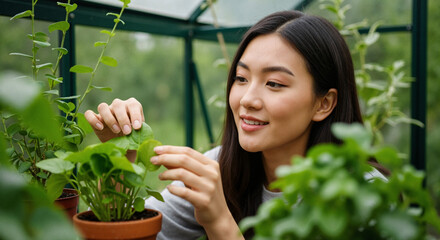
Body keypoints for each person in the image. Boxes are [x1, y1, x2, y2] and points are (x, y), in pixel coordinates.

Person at [85, 10, 386, 240]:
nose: (247, 99)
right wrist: (117, 160)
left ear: (324, 104)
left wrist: (219, 221)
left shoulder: (363, 195)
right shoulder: (221, 165)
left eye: (274, 83)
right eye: (241, 78)